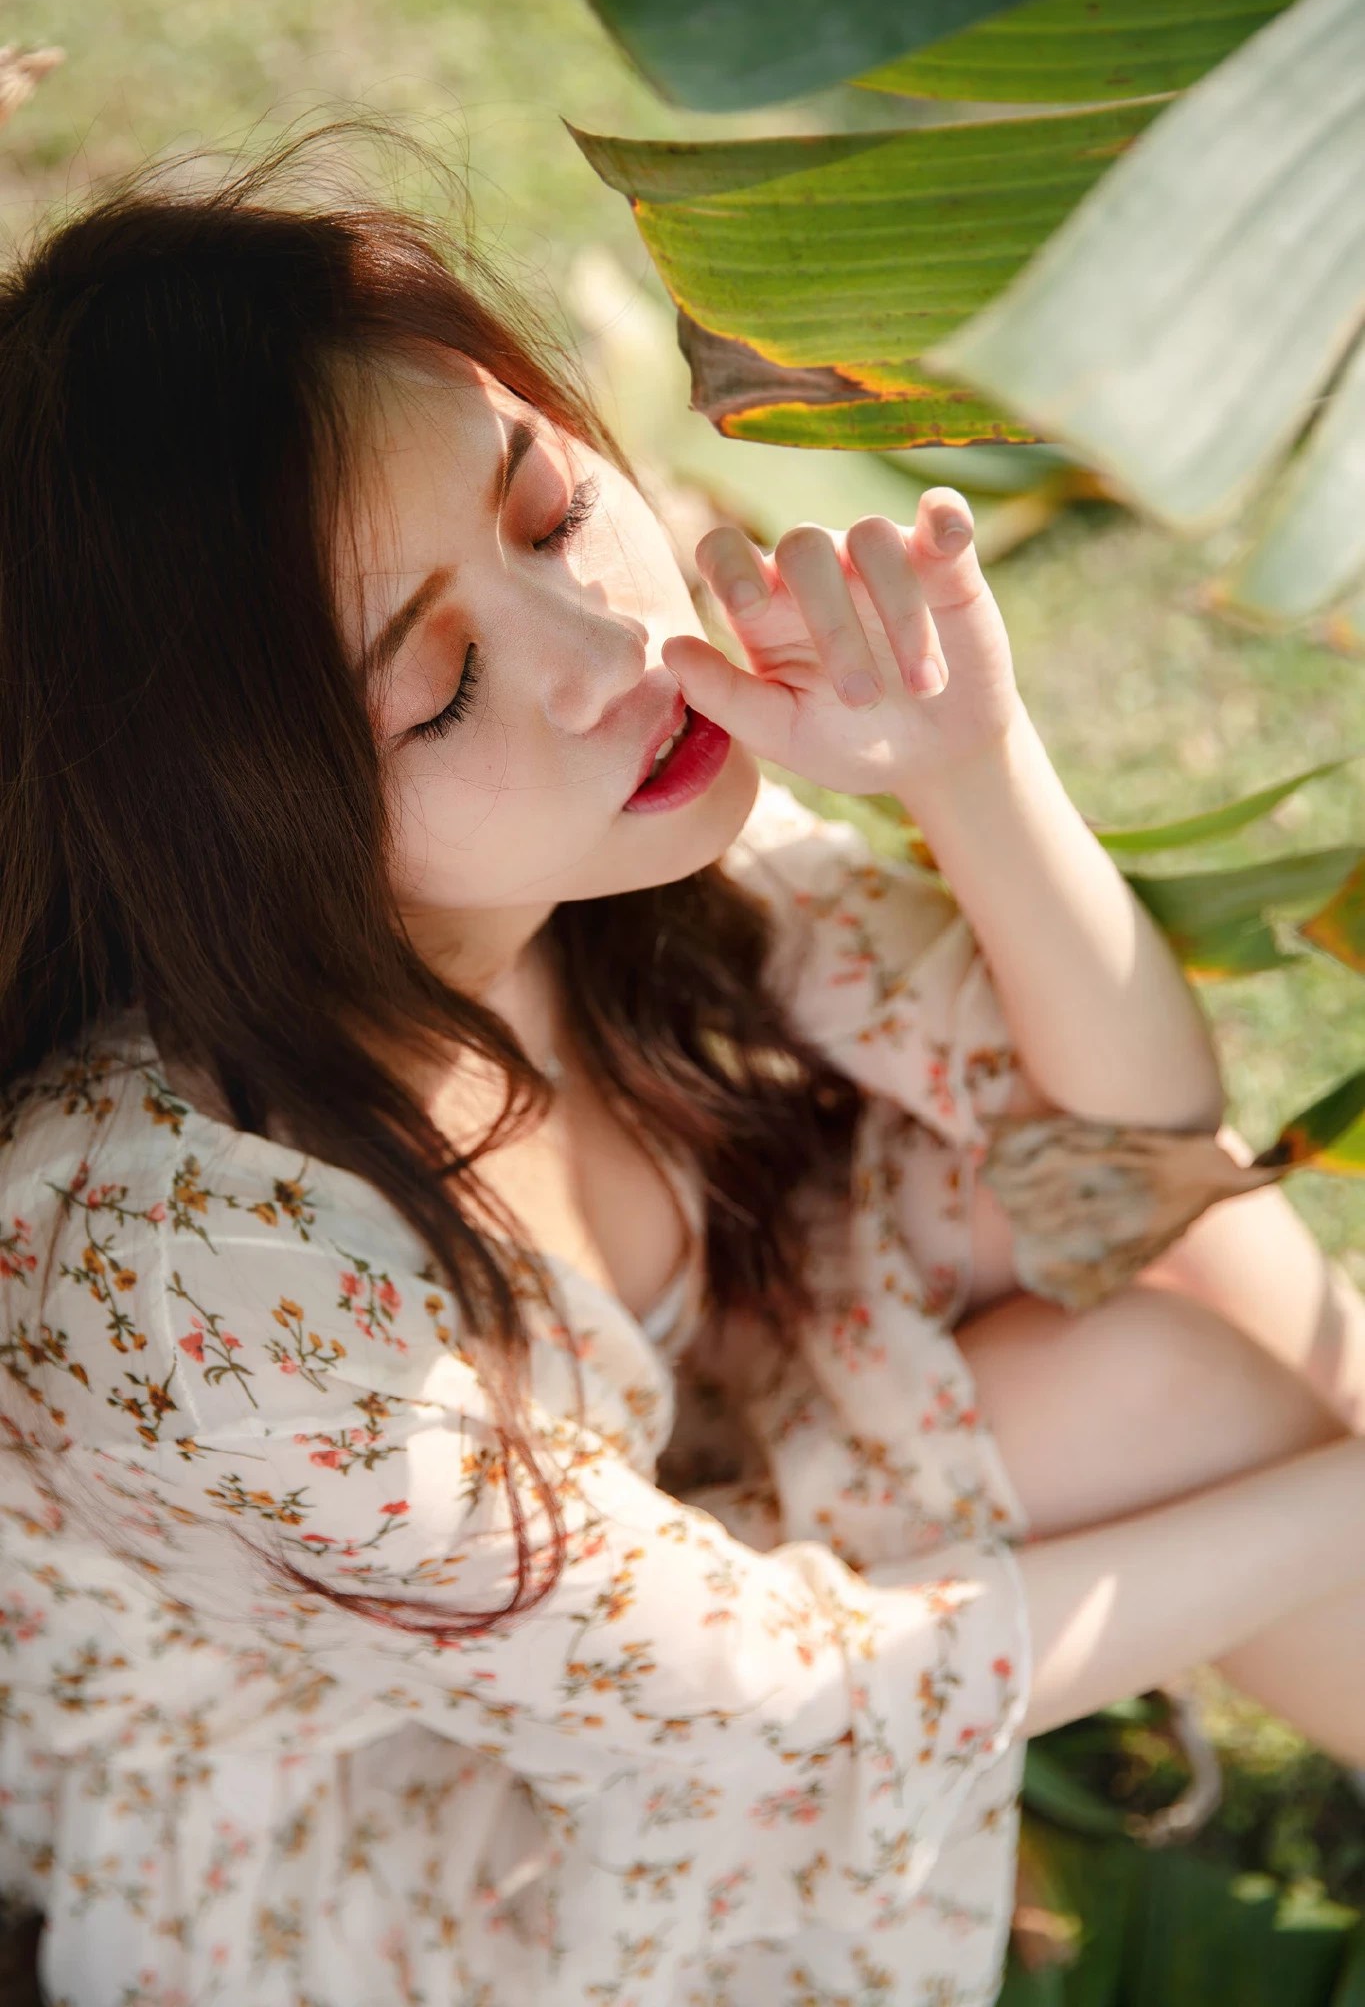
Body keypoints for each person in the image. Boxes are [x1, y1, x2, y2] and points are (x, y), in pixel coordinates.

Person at [0, 125, 1362, 2007]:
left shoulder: (588, 875)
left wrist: (969, 765)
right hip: (412, 1834)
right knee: (1190, 1387)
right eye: (439, 690)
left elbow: (1128, 1153)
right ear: (233, 821)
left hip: (675, 1594)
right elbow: (763, 1716)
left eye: (552, 513)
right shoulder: (177, 1276)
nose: (604, 649)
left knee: (1175, 1279)